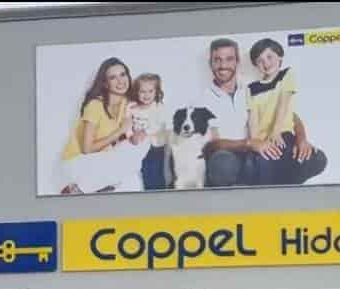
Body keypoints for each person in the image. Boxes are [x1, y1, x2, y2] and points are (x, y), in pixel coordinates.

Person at [200, 37, 327, 188]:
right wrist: (249, 144)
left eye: (229, 59)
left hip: (266, 145)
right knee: (223, 164)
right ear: (210, 63)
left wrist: (301, 138)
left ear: (237, 62)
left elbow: (291, 114)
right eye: (217, 60)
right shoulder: (202, 100)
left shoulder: (247, 89)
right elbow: (210, 146)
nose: (223, 65)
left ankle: (280, 189)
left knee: (315, 158)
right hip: (235, 155)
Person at [58, 57, 150, 194]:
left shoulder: (128, 104)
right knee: (125, 165)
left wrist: (140, 134)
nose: (120, 81)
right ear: (106, 84)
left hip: (104, 163)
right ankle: (81, 189)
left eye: (123, 74)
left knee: (133, 177)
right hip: (79, 162)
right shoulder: (95, 105)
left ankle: (96, 188)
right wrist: (119, 131)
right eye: (113, 77)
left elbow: (130, 143)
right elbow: (87, 149)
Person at [128, 73, 170, 190]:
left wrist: (145, 132)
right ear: (136, 92)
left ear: (156, 92)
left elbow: (159, 124)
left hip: (155, 147)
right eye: (142, 91)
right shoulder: (132, 108)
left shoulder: (158, 107)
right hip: (138, 147)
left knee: (156, 171)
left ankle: (157, 193)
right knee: (142, 172)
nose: (146, 95)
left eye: (150, 91)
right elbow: (126, 124)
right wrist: (130, 136)